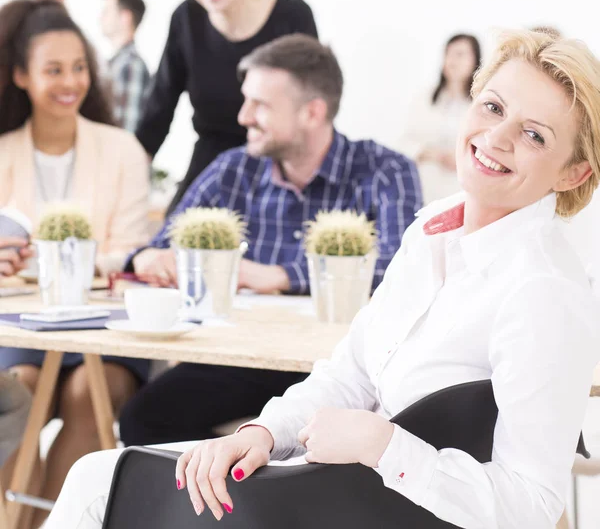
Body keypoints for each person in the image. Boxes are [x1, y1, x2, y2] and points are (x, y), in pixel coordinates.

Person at [45, 29, 600, 529]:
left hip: (370, 506)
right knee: (107, 472)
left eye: (534, 135)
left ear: (575, 171)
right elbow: (350, 373)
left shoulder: (544, 291)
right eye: (492, 106)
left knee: (101, 484)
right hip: (334, 487)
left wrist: (385, 445)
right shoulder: (434, 230)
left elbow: (532, 505)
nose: (497, 138)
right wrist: (261, 433)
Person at [117, 34, 421, 447]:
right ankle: (237, 498)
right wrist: (149, 257)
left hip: (340, 371)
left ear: (313, 112)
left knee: (333, 448)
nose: (243, 116)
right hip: (244, 360)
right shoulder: (233, 168)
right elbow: (160, 243)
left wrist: (279, 275)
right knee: (143, 419)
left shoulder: (386, 171)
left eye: (259, 104)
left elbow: (401, 272)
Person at [0, 0, 151, 528]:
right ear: (20, 75)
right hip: (23, 325)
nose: (71, 82)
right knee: (15, 388)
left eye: (80, 67)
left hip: (105, 324)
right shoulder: (2, 151)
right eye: (54, 70)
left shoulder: (122, 149)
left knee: (92, 394)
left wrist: (45, 260)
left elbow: (130, 252)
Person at [135, 0, 319, 215]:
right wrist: (125, 179)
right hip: (209, 172)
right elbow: (158, 111)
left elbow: (312, 111)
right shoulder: (186, 19)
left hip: (278, 169)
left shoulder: (293, 16)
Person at [397, 34, 481, 204]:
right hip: (425, 188)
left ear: (475, 59)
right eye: (448, 54)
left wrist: (460, 158)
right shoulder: (425, 97)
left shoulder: (482, 103)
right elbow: (404, 143)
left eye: (459, 54)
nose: (452, 60)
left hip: (462, 192)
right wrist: (435, 155)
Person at [100, 0, 151, 134]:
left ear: (125, 17)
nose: (100, 17)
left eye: (107, 11)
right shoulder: (114, 64)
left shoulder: (131, 66)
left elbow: (125, 132)